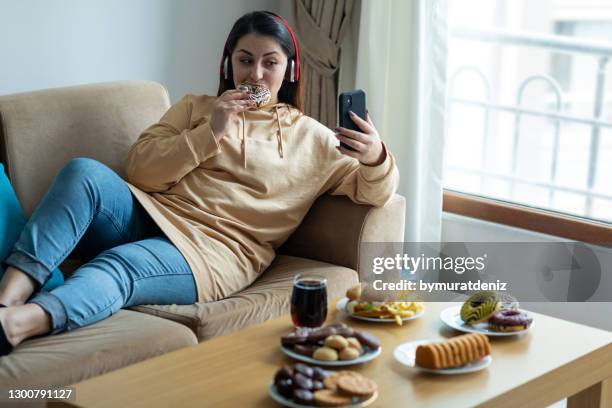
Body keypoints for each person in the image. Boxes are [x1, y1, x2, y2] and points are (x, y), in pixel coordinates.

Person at [0, 10, 398, 356]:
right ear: (229, 64)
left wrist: (376, 156)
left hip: (213, 252)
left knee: (118, 266)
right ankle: (8, 297)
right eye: (245, 60)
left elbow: (376, 192)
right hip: (151, 213)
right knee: (83, 172)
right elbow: (139, 170)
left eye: (269, 63)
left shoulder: (314, 139)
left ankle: (17, 325)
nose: (255, 74)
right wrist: (211, 132)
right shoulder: (197, 107)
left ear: (289, 71)